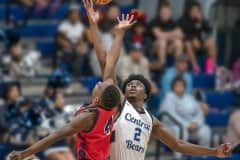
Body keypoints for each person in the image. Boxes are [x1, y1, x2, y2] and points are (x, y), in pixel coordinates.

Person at [85, 0, 232, 159]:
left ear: (146, 95)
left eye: (138, 84)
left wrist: (213, 151)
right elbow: (106, 62)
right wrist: (104, 29)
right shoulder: (120, 105)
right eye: (129, 85)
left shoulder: (150, 120)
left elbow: (178, 144)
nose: (133, 85)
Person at [8, 7, 135, 160]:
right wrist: (115, 33)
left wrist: (23, 153)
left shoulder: (88, 117)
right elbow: (107, 60)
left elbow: (54, 136)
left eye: (99, 86)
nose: (100, 83)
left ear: (96, 99)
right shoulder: (111, 104)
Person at [160, 76, 211, 147]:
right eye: (177, 86)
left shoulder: (189, 97)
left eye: (181, 86)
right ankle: (179, 157)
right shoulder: (169, 97)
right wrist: (187, 125)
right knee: (180, 131)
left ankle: (204, 156)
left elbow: (199, 113)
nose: (180, 88)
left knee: (205, 130)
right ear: (173, 87)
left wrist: (196, 123)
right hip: (172, 127)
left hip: (191, 127)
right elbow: (172, 116)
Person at [179, 0, 217, 73]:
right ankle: (195, 67)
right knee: (187, 44)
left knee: (211, 42)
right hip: (188, 46)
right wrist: (192, 39)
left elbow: (209, 31)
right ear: (189, 11)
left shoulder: (200, 19)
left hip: (199, 44)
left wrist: (202, 21)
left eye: (197, 11)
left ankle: (211, 67)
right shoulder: (182, 20)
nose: (195, 13)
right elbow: (181, 35)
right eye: (193, 11)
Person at [149, 0, 183, 68]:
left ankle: (178, 65)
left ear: (170, 13)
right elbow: (158, 35)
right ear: (159, 13)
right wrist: (172, 34)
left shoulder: (172, 22)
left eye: (167, 12)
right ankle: (162, 64)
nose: (165, 14)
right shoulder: (154, 21)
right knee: (162, 41)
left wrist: (165, 35)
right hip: (154, 48)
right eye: (163, 12)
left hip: (168, 48)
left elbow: (180, 34)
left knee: (178, 42)